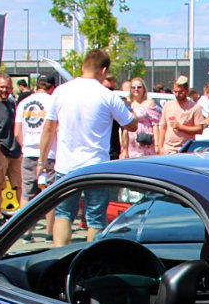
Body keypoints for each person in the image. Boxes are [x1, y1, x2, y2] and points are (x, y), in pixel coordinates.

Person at [38, 48, 137, 246]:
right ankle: (90, 257)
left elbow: (48, 128)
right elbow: (131, 125)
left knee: (64, 214)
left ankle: (60, 255)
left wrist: (42, 161)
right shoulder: (107, 95)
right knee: (96, 218)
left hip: (66, 165)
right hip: (96, 165)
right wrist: (131, 111)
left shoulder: (61, 91)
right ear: (104, 70)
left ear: (83, 66)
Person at [0, 73, 23, 222]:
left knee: (18, 183)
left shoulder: (12, 103)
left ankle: (19, 213)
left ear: (11, 88)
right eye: (1, 87)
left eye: (7, 87)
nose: (4, 90)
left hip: (15, 150)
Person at [17, 74, 56, 208]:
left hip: (29, 153)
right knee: (51, 194)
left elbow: (17, 132)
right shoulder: (53, 102)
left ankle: (25, 222)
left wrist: (25, 147)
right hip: (51, 153)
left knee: (27, 194)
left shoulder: (23, 103)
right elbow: (57, 129)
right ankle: (50, 223)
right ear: (52, 87)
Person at [157, 75, 205, 154]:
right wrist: (160, 147)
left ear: (187, 91)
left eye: (180, 92)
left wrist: (180, 127)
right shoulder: (168, 105)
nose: (177, 94)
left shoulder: (195, 108)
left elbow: (199, 129)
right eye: (175, 91)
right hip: (168, 149)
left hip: (185, 150)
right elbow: (163, 128)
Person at [122, 77, 163, 157]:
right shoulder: (129, 104)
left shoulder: (149, 103)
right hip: (132, 143)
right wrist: (125, 149)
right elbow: (125, 128)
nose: (136, 89)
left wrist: (157, 145)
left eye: (139, 87)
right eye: (133, 87)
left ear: (143, 89)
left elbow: (155, 124)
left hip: (147, 141)